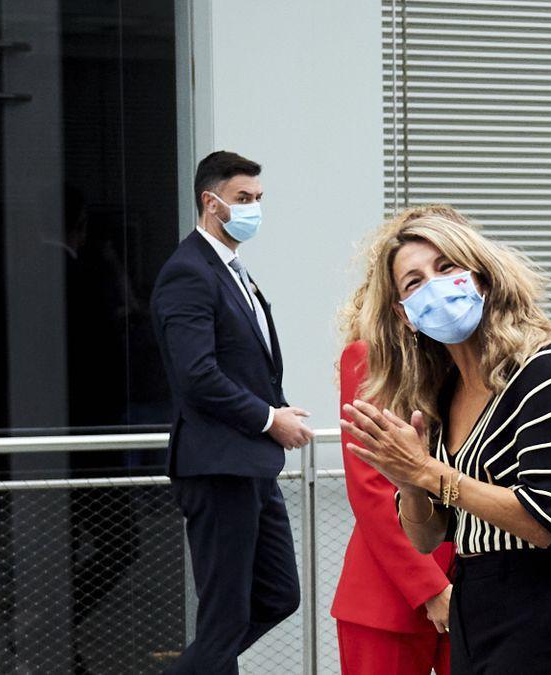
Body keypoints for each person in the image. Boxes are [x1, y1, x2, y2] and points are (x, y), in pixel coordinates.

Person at [341, 205, 551, 674]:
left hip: (540, 602)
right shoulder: (440, 394)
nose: (434, 286)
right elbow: (427, 537)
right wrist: (410, 482)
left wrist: (428, 472)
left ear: (480, 278)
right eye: (414, 282)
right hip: (474, 596)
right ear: (405, 316)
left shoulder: (540, 372)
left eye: (446, 267)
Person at [151, 151, 311, 673]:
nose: (253, 209)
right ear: (210, 201)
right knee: (224, 620)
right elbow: (196, 375)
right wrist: (269, 419)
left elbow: (246, 363)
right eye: (243, 199)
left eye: (259, 200)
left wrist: (279, 408)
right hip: (218, 465)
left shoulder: (233, 270)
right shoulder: (189, 272)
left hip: (251, 464)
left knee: (279, 594)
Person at [330, 306, 455, 672]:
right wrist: (430, 587)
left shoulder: (475, 358)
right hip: (390, 594)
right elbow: (370, 487)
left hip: (476, 585)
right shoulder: (369, 357)